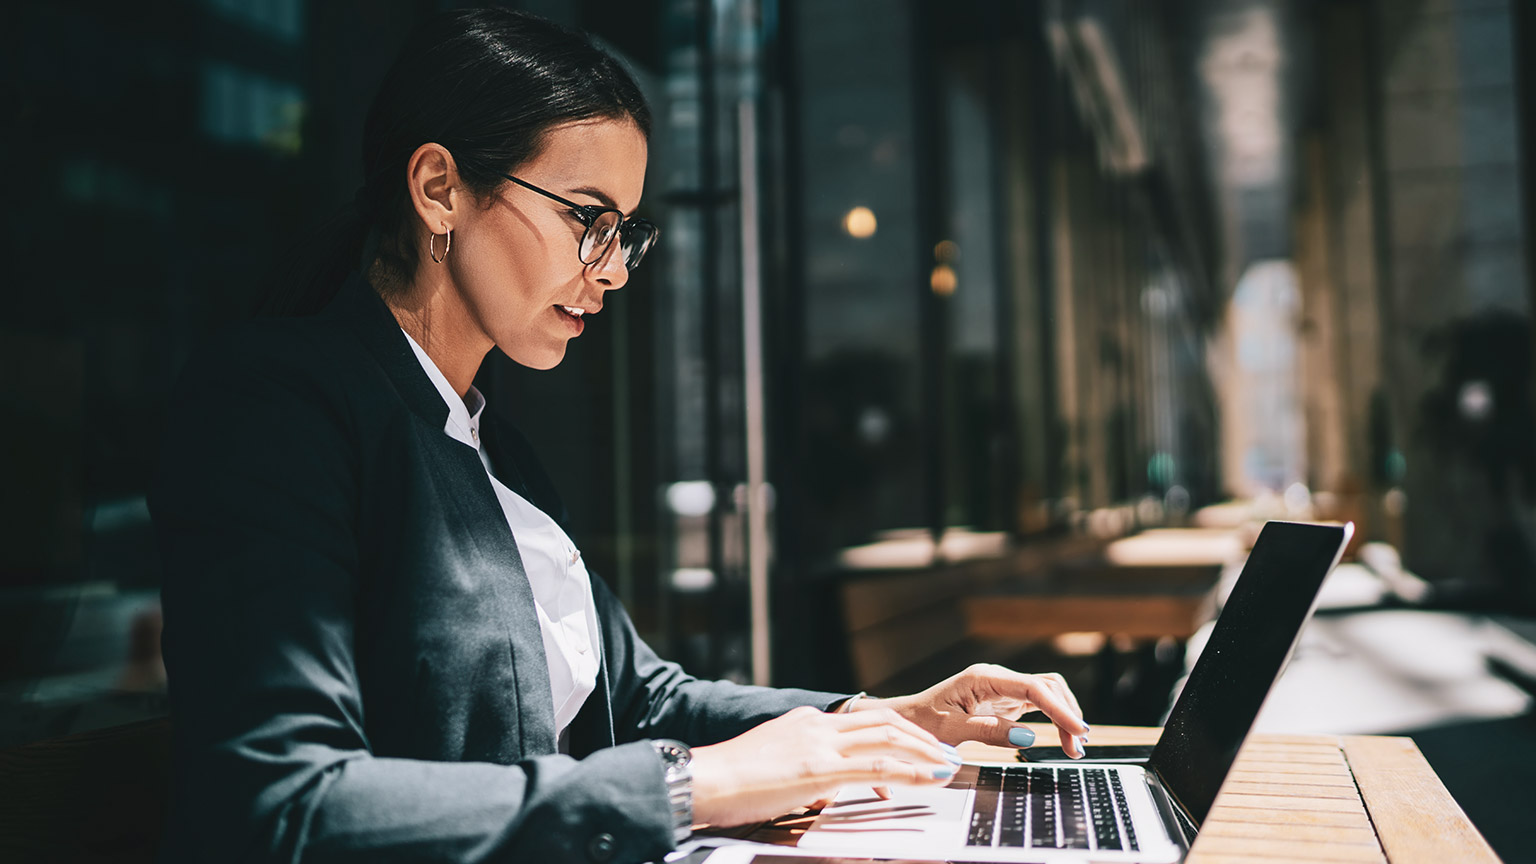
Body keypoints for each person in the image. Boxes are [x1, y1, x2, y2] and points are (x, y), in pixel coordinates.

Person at [150, 9, 1089, 863]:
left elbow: (639, 699)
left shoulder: (489, 444)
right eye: (587, 220)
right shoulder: (275, 406)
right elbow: (277, 804)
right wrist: (692, 789)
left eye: (625, 232)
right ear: (440, 189)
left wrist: (876, 719)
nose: (613, 271)